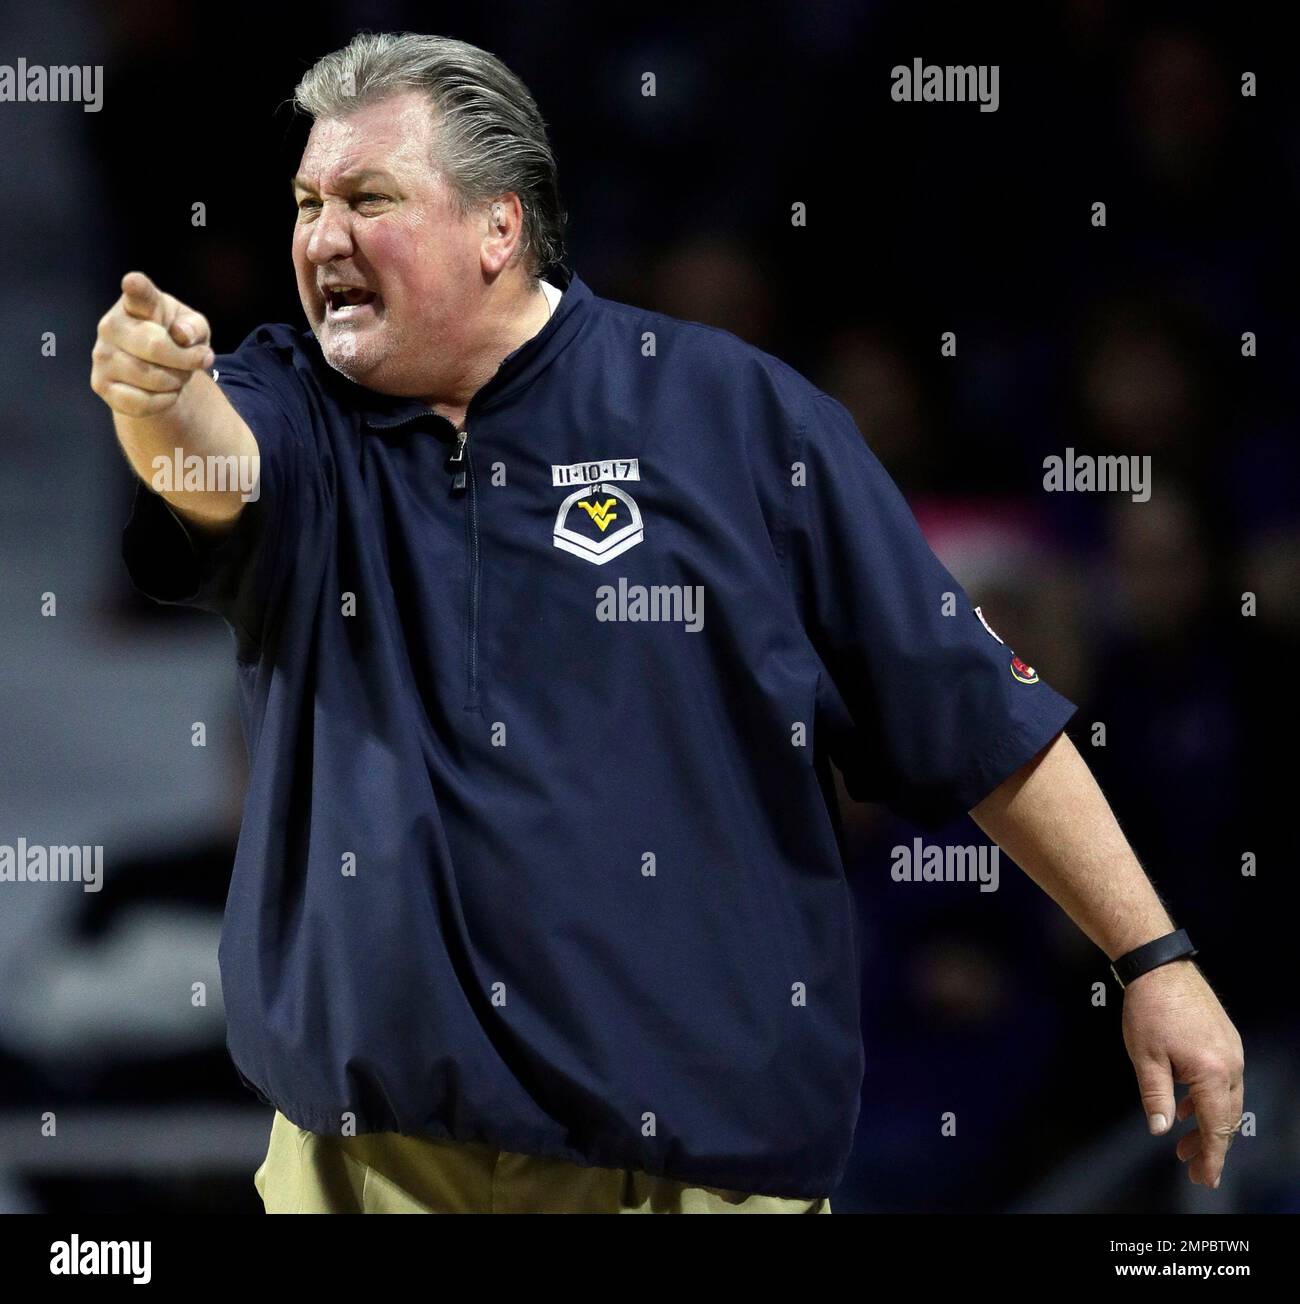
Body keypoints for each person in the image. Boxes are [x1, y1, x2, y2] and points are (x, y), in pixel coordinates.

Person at [89, 32, 1244, 1214]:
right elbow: (214, 466)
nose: (320, 237)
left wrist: (1151, 954)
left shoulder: (732, 416)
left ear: (499, 227)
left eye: (367, 199)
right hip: (375, 1170)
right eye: (306, 202)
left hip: (690, 1176)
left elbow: (971, 706)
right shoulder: (294, 397)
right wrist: (160, 392)